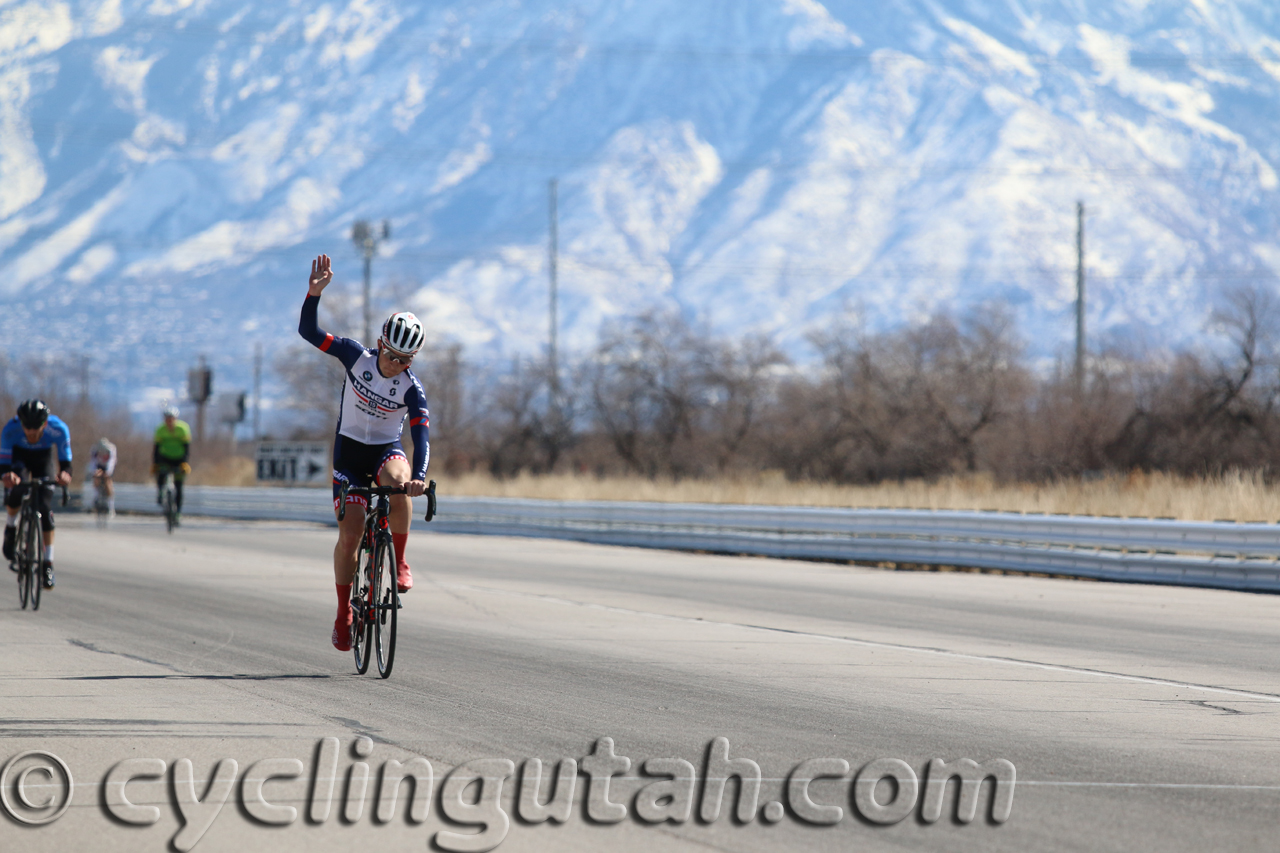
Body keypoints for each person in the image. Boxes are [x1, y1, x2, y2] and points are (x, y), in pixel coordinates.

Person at [299, 253, 429, 652]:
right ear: (379, 345)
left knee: (401, 483)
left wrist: (420, 475)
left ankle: (401, 559)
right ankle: (343, 614)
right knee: (351, 535)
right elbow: (308, 331)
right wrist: (313, 294)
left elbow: (421, 435)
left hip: (385, 451)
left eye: (405, 360)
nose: (395, 365)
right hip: (350, 456)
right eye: (391, 356)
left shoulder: (411, 389)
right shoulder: (356, 356)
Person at [1, 400, 72, 589]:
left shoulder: (59, 429)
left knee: (45, 507)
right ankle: (10, 528)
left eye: (36, 428)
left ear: (45, 424)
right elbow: (4, 466)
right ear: (20, 423)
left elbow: (66, 464)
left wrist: (65, 475)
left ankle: (47, 564)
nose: (31, 432)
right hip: (20, 458)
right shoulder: (10, 429)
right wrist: (7, 476)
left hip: (44, 459)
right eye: (27, 427)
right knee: (17, 488)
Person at [153, 406, 191, 521]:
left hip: (179, 458)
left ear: (176, 419)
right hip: (164, 457)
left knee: (179, 486)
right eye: (167, 419)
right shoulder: (160, 430)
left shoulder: (183, 428)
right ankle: (160, 492)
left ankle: (178, 512)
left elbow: (187, 447)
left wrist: (184, 462)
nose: (169, 421)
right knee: (160, 474)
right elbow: (156, 448)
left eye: (172, 419)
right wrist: (155, 463)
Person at [89, 436, 117, 517]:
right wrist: (94, 472)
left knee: (108, 482)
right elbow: (92, 462)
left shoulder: (111, 449)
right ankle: (96, 496)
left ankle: (111, 507)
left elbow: (112, 462)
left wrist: (108, 472)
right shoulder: (94, 449)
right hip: (98, 466)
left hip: (107, 466)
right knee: (96, 478)